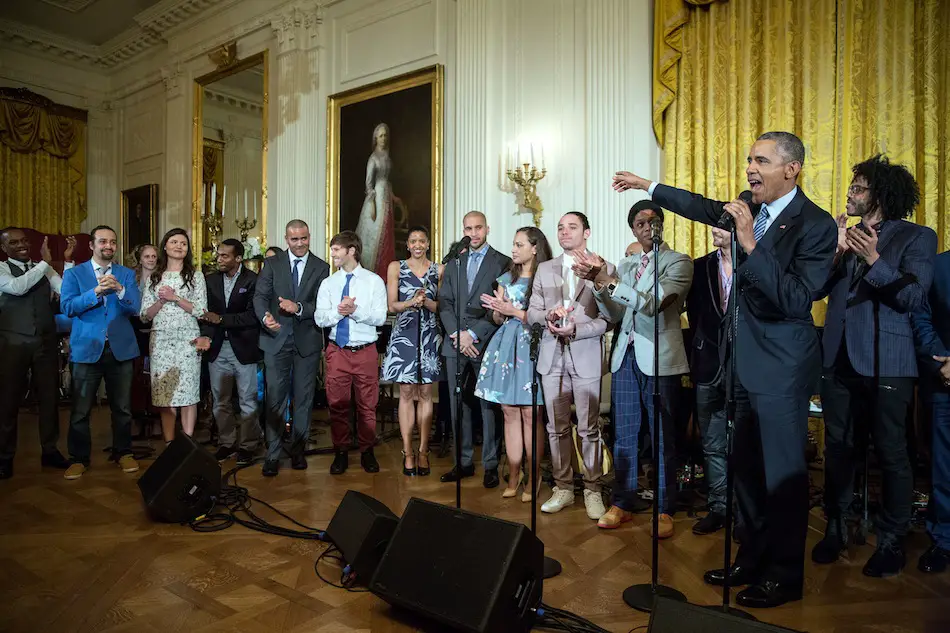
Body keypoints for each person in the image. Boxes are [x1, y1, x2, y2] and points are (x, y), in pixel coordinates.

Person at [612, 131, 837, 608]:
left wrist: (751, 245)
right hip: (739, 367)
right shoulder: (745, 207)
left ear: (791, 169)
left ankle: (783, 576)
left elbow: (799, 299)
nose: (750, 168)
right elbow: (699, 205)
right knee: (745, 472)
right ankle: (751, 557)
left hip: (781, 369)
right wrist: (647, 184)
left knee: (781, 476)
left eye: (761, 160)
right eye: (748, 159)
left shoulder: (814, 225)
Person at [813, 155, 936, 577]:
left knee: (891, 452)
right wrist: (833, 254)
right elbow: (814, 292)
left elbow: (915, 298)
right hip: (838, 359)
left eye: (859, 188)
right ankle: (835, 526)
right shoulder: (845, 236)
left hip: (889, 361)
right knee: (839, 449)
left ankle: (890, 539)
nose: (850, 193)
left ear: (880, 195)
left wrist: (873, 260)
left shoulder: (917, 237)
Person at [577, 202, 692, 536]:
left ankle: (665, 508)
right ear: (633, 229)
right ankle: (622, 502)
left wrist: (609, 280)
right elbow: (614, 314)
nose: (647, 226)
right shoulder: (625, 265)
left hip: (659, 359)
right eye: (640, 222)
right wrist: (599, 286)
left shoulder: (678, 262)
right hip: (625, 357)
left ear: (662, 224)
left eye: (653, 220)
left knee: (661, 436)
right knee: (624, 435)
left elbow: (653, 303)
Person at [526, 212, 611, 520]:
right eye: (560, 227)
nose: (564, 231)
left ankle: (592, 489)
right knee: (555, 427)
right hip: (551, 356)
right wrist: (548, 315)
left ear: (586, 232)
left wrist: (578, 330)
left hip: (585, 355)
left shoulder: (605, 267)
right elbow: (532, 312)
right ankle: (563, 487)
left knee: (589, 428)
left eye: (572, 227)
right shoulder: (545, 269)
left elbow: (609, 318)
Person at [60, 225, 142, 480]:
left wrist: (119, 290)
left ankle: (124, 452)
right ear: (92, 245)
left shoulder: (126, 274)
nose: (109, 246)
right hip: (87, 349)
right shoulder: (75, 274)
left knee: (122, 407)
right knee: (81, 409)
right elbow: (67, 307)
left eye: (113, 242)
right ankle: (79, 458)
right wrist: (94, 292)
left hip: (120, 349)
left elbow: (136, 307)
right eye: (103, 241)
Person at [476, 227, 552, 500]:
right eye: (513, 243)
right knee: (509, 411)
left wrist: (514, 310)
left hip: (533, 346)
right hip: (506, 347)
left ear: (535, 247)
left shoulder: (547, 277)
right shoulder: (506, 278)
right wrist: (499, 310)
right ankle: (515, 471)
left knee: (531, 413)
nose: (514, 249)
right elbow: (498, 319)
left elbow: (545, 318)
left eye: (519, 244)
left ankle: (535, 475)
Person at [438, 211, 511, 487]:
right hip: (455, 342)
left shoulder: (502, 262)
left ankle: (491, 464)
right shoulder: (456, 260)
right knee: (458, 405)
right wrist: (457, 333)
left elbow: (499, 307)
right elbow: (444, 301)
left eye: (478, 227)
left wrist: (473, 334)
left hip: (485, 341)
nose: (474, 233)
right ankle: (463, 462)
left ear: (487, 228)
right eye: (468, 228)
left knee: (487, 405)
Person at [253, 219, 330, 477]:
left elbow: (321, 305)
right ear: (287, 239)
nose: (299, 244)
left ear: (310, 237)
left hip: (306, 343)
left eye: (304, 238)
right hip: (275, 341)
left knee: (304, 400)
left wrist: (297, 308)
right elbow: (260, 297)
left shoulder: (322, 267)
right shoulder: (272, 264)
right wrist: (265, 317)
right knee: (275, 400)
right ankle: (272, 454)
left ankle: (298, 451)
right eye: (294, 239)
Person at [683, 227, 743, 535]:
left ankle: (744, 512)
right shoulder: (698, 267)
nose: (716, 231)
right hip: (707, 365)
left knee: (745, 443)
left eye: (724, 226)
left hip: (746, 367)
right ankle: (719, 507)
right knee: (712, 442)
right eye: (715, 226)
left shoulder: (754, 262)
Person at [0, 230, 73, 478]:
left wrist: (67, 261)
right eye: (14, 242)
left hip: (45, 341)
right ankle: (5, 457)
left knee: (49, 398)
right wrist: (45, 263)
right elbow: (17, 288)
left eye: (24, 241)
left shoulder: (43, 268)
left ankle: (50, 450)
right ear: (4, 247)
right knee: (8, 401)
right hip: (12, 343)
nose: (21, 245)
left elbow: (66, 289)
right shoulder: (2, 270)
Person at [315, 231, 388, 474]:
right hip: (337, 351)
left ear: (351, 251)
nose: (333, 253)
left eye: (337, 249)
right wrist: (340, 312)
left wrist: (355, 310)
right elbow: (320, 318)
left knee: (367, 406)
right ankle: (341, 452)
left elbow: (380, 317)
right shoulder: (328, 283)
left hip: (366, 351)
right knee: (337, 405)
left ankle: (367, 451)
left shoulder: (374, 281)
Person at [381, 226, 443, 476]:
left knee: (426, 392)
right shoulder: (396, 267)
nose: (417, 245)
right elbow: (392, 305)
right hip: (404, 334)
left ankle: (424, 450)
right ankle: (408, 451)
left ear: (428, 244)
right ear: (407, 245)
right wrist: (411, 302)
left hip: (429, 334)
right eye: (413, 241)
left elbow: (443, 306)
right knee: (405, 392)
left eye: (422, 241)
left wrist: (427, 302)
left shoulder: (440, 269)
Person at [140, 228, 210, 443]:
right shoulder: (154, 277)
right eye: (174, 242)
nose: (179, 246)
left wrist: (175, 297)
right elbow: (144, 316)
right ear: (165, 246)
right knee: (165, 394)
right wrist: (161, 301)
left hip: (188, 339)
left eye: (183, 243)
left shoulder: (196, 276)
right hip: (161, 340)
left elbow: (201, 311)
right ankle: (170, 444)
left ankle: (187, 444)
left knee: (188, 394)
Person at [200, 239, 262, 466]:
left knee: (248, 402)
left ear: (238, 258)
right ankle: (227, 443)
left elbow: (252, 316)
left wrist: (222, 319)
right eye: (219, 255)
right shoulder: (210, 281)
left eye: (225, 256)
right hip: (217, 349)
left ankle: (248, 446)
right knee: (220, 401)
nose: (219, 259)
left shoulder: (253, 280)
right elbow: (205, 313)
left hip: (244, 349)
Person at [911, 250, 950, 575]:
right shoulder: (939, 265)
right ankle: (943, 540)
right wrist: (944, 360)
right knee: (943, 466)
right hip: (945, 382)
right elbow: (922, 318)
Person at [355, 123, 406, 279]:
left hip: (386, 197)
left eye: (385, 135)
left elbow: (386, 182)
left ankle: (385, 274)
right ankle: (374, 273)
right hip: (376, 199)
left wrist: (394, 197)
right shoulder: (373, 158)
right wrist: (372, 205)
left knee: (387, 235)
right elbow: (369, 184)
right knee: (375, 237)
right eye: (381, 135)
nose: (384, 138)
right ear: (376, 138)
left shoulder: (386, 156)